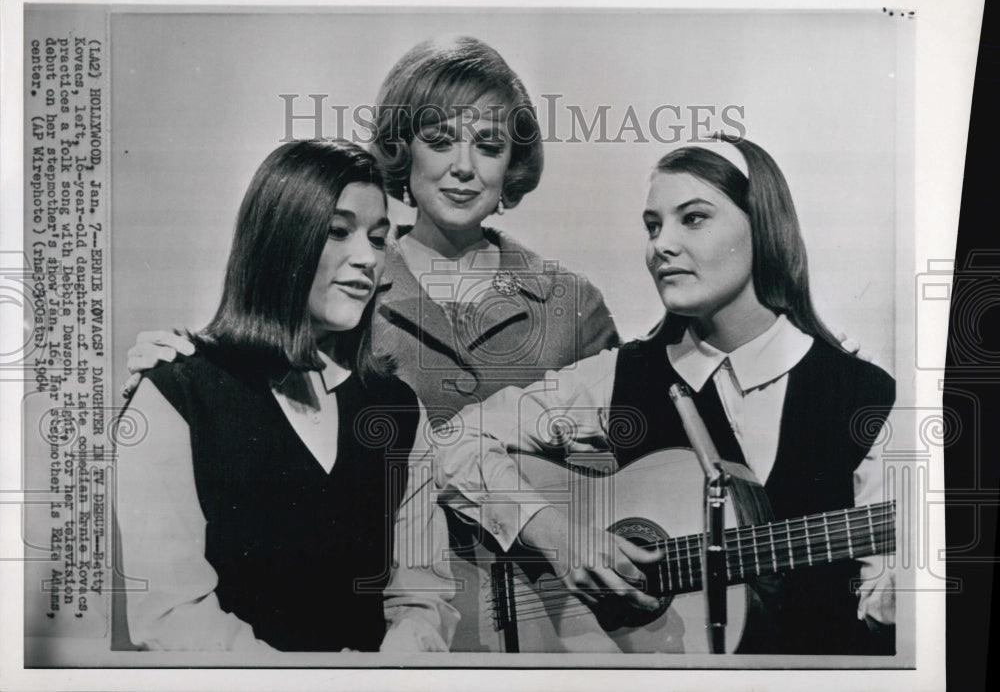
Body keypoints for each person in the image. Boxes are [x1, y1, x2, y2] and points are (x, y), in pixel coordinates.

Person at [121, 36, 661, 651]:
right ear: (401, 150)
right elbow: (248, 366)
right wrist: (178, 354)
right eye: (439, 140)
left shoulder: (572, 302)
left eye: (488, 145)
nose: (464, 167)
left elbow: (623, 467)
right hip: (387, 634)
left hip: (551, 626)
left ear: (512, 162)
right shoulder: (339, 292)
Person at [433, 135, 897, 654]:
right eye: (653, 226)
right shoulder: (622, 376)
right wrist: (555, 533)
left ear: (763, 226)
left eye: (692, 218)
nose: (661, 245)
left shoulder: (867, 396)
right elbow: (455, 439)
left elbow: (885, 609)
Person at [116, 140, 431, 651]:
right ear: (278, 239)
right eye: (337, 232)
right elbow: (171, 615)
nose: (367, 259)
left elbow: (421, 597)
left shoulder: (398, 408)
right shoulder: (175, 393)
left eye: (378, 239)